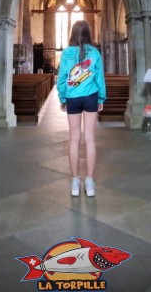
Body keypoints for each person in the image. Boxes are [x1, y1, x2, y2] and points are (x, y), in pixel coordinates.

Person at [57, 20, 106, 197]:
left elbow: (61, 78)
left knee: (74, 139)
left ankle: (75, 182)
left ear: (73, 33)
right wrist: (101, 97)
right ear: (88, 34)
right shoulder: (95, 52)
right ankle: (90, 183)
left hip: (73, 98)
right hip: (90, 96)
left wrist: (62, 97)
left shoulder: (67, 53)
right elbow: (99, 78)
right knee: (90, 139)